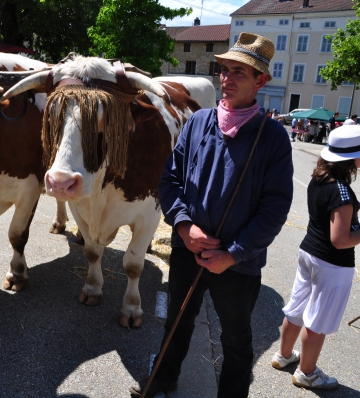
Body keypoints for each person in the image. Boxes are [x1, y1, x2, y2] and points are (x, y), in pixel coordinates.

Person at [129, 32, 294, 398]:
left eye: (240, 72)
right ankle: (164, 378)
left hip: (238, 264)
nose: (228, 78)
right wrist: (184, 227)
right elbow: (170, 179)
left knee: (235, 341)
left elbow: (275, 209)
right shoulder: (199, 122)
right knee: (177, 320)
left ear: (261, 81)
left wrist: (232, 254)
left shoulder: (273, 138)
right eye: (225, 70)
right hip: (189, 249)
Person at [271, 125, 360, 390]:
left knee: (297, 307)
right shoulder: (343, 192)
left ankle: (284, 355)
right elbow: (340, 239)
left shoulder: (319, 178)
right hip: (332, 263)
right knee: (318, 320)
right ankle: (306, 373)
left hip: (309, 251)